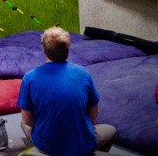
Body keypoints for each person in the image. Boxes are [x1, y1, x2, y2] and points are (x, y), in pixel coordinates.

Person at [17, 26, 116, 156]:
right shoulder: (83, 73)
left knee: (22, 122)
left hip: (48, 145)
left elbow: (27, 120)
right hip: (81, 143)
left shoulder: (29, 78)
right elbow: (94, 111)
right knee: (111, 130)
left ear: (44, 50)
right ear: (68, 49)